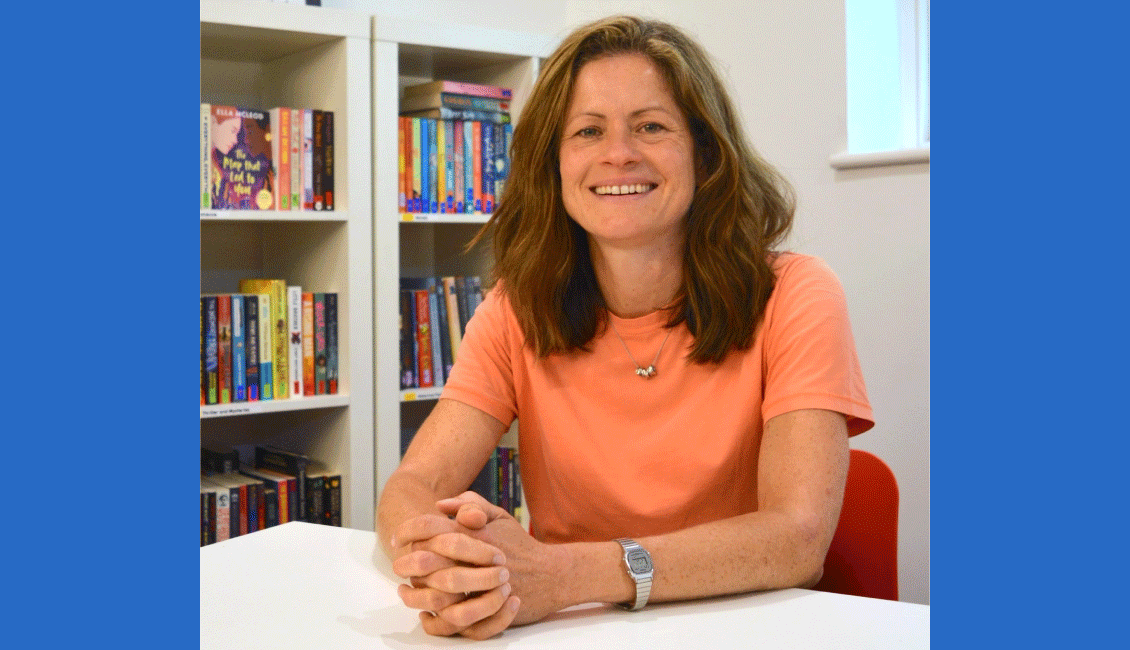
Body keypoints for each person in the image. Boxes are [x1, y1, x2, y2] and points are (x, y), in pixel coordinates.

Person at [377, 15, 874, 640]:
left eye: (651, 126)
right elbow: (412, 487)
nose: (619, 153)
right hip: (569, 633)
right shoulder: (516, 307)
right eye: (588, 130)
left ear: (704, 153)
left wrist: (561, 575)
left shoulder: (797, 293)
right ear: (552, 164)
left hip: (745, 628)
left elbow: (796, 540)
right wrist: (445, 563)